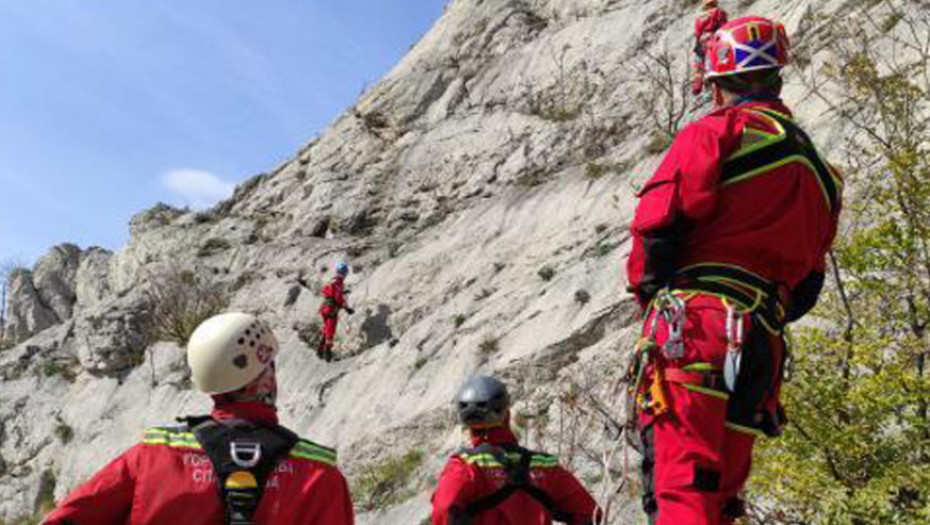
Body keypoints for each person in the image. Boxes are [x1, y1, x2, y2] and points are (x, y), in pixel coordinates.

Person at [625, 16, 842, 525]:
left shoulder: (717, 132)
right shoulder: (822, 173)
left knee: (682, 490)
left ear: (721, 82)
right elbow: (808, 287)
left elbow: (658, 224)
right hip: (762, 342)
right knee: (722, 498)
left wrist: (652, 297)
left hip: (698, 329)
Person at [44, 312, 355, 525]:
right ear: (263, 382)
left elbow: (66, 519)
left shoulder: (152, 456)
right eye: (270, 367)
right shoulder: (319, 475)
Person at [431, 376, 601, 524]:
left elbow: (445, 508)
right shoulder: (544, 465)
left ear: (466, 424)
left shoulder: (466, 466)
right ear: (507, 415)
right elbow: (590, 514)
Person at [317, 262, 354, 362]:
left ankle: (320, 350)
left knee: (326, 329)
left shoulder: (334, 281)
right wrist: (345, 307)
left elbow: (326, 291)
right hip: (331, 310)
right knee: (330, 331)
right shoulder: (337, 283)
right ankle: (327, 354)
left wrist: (343, 303)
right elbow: (338, 298)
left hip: (325, 308)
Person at [692, 0, 729, 96]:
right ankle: (715, 85)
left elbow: (697, 33)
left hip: (701, 40)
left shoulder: (699, 17)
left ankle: (697, 86)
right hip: (713, 38)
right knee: (716, 60)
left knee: (699, 64)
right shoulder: (718, 12)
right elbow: (724, 26)